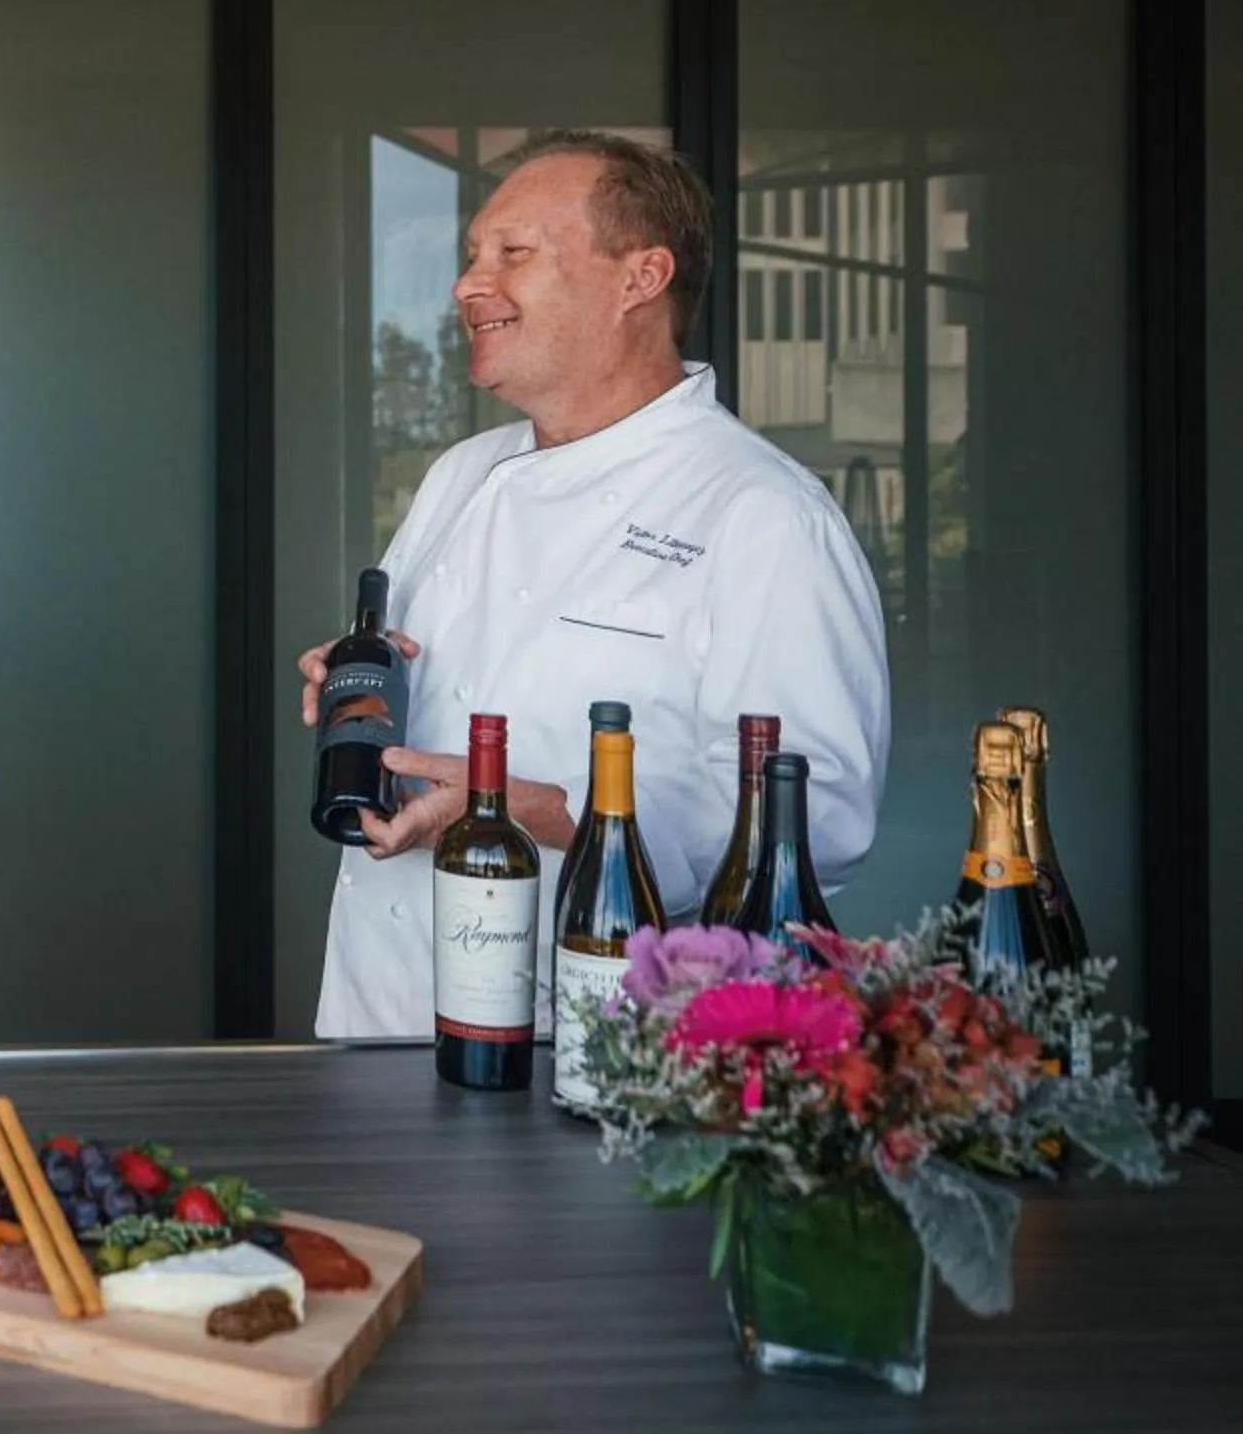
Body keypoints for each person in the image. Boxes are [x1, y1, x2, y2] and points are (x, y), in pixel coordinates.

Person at [302, 131, 890, 1041]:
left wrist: (526, 807)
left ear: (639, 278)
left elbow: (818, 810)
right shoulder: (462, 473)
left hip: (594, 1038)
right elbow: (453, 683)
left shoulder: (761, 513)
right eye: (470, 258)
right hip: (379, 1008)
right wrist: (363, 684)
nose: (468, 285)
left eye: (514, 254)